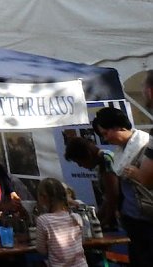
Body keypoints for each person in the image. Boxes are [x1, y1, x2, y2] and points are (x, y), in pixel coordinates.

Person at [92, 106, 153, 265]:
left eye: (106, 133)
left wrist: (137, 174)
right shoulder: (120, 152)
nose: (105, 139)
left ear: (118, 127)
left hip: (148, 218)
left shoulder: (146, 145)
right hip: (132, 218)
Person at [63, 136, 119, 230]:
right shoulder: (104, 159)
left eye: (79, 162)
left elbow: (113, 194)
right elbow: (108, 198)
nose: (80, 166)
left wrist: (106, 221)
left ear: (87, 155)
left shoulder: (106, 160)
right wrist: (97, 219)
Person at [34, 178, 86, 267]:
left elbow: (41, 249)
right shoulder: (76, 217)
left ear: (43, 197)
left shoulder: (43, 220)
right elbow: (82, 241)